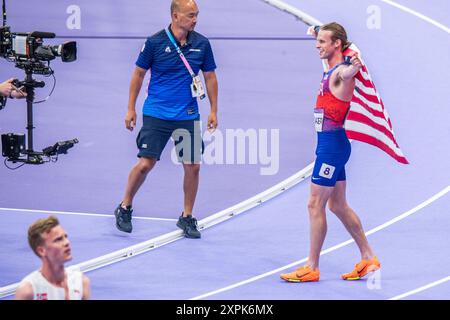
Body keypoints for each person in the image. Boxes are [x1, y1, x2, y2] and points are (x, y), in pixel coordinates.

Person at [280, 22, 380, 283]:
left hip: (331, 149)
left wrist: (353, 67)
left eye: (323, 42)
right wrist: (316, 30)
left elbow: (347, 73)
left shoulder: (340, 73)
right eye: (318, 41)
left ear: (337, 44)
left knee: (315, 204)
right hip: (331, 145)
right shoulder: (330, 67)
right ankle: (369, 257)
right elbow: (333, 58)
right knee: (337, 204)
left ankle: (312, 266)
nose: (317, 45)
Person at [114, 0, 218, 238]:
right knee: (145, 164)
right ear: (175, 16)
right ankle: (124, 206)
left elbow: (210, 77)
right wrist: (130, 108)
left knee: (193, 166)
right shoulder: (154, 43)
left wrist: (213, 110)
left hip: (188, 114)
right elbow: (138, 74)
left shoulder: (202, 44)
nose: (195, 19)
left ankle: (187, 216)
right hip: (157, 113)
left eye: (197, 15)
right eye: (191, 15)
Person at [15, 215, 91, 300]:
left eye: (65, 237)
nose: (66, 242)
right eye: (58, 240)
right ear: (41, 251)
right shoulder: (28, 291)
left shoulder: (81, 282)